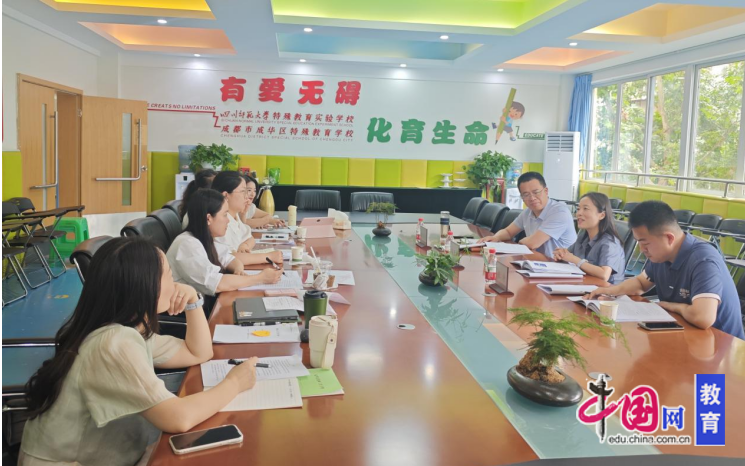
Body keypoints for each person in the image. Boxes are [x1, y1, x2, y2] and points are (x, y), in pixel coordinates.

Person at [20, 237, 260, 466]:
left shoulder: (127, 330)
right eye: (168, 275)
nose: (175, 282)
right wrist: (235, 383)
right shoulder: (113, 344)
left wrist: (192, 300)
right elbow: (178, 418)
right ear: (145, 285)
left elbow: (198, 353)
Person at [587, 201, 744, 340]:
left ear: (669, 238)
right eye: (639, 242)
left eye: (645, 243)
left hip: (720, 348)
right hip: (683, 334)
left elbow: (703, 318)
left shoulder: (703, 259)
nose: (642, 250)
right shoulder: (661, 256)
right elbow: (640, 283)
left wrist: (671, 306)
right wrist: (610, 291)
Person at [166, 189, 282, 300]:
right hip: (185, 310)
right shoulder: (187, 245)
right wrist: (260, 278)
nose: (228, 220)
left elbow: (229, 258)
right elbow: (218, 284)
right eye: (225, 215)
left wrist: (238, 269)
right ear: (208, 218)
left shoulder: (206, 238)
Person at [481, 172, 577, 257]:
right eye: (526, 195)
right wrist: (495, 238)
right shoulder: (528, 212)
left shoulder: (559, 212)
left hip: (562, 266)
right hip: (539, 262)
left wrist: (521, 241)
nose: (532, 198)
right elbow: (508, 232)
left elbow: (533, 243)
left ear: (546, 191)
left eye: (536, 192)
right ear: (522, 197)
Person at [553, 192, 626, 284]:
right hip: (585, 284)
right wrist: (561, 255)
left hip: (607, 290)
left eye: (585, 209)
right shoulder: (583, 235)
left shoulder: (610, 243)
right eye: (578, 209)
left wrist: (574, 260)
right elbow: (568, 254)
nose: (579, 213)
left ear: (602, 215)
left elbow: (604, 275)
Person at [211, 171, 257, 253]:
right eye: (243, 191)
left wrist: (244, 245)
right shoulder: (219, 222)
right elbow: (229, 256)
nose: (247, 196)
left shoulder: (234, 216)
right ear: (225, 195)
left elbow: (250, 237)